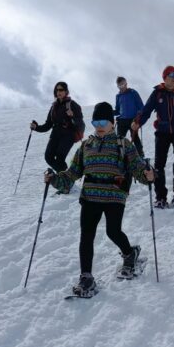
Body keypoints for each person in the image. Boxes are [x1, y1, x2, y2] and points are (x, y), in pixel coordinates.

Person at [46, 102, 155, 297]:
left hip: (114, 195)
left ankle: (130, 253)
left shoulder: (123, 144)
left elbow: (138, 168)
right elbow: (71, 174)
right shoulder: (86, 146)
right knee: (86, 235)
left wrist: (148, 176)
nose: (99, 126)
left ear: (113, 123)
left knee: (113, 231)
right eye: (95, 122)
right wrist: (54, 179)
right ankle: (86, 277)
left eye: (103, 122)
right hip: (90, 196)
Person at [132, 65, 174, 208]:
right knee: (159, 165)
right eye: (171, 75)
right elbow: (146, 110)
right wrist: (138, 122)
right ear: (165, 78)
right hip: (162, 131)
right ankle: (161, 197)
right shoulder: (158, 93)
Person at [31, 82, 84, 194]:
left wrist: (72, 116)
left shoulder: (73, 105)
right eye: (57, 90)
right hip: (55, 134)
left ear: (66, 91)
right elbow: (48, 125)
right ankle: (67, 180)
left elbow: (80, 124)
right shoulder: (54, 106)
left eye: (61, 90)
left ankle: (65, 184)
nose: (58, 92)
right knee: (48, 156)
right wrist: (36, 127)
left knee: (60, 158)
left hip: (68, 135)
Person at [114, 76, 145, 157]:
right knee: (119, 139)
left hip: (133, 120)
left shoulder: (133, 93)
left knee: (135, 138)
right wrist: (110, 112)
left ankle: (140, 155)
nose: (122, 87)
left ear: (126, 83)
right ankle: (120, 156)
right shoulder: (118, 96)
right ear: (118, 86)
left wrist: (138, 117)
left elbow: (141, 107)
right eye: (120, 85)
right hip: (122, 121)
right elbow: (118, 110)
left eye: (123, 84)